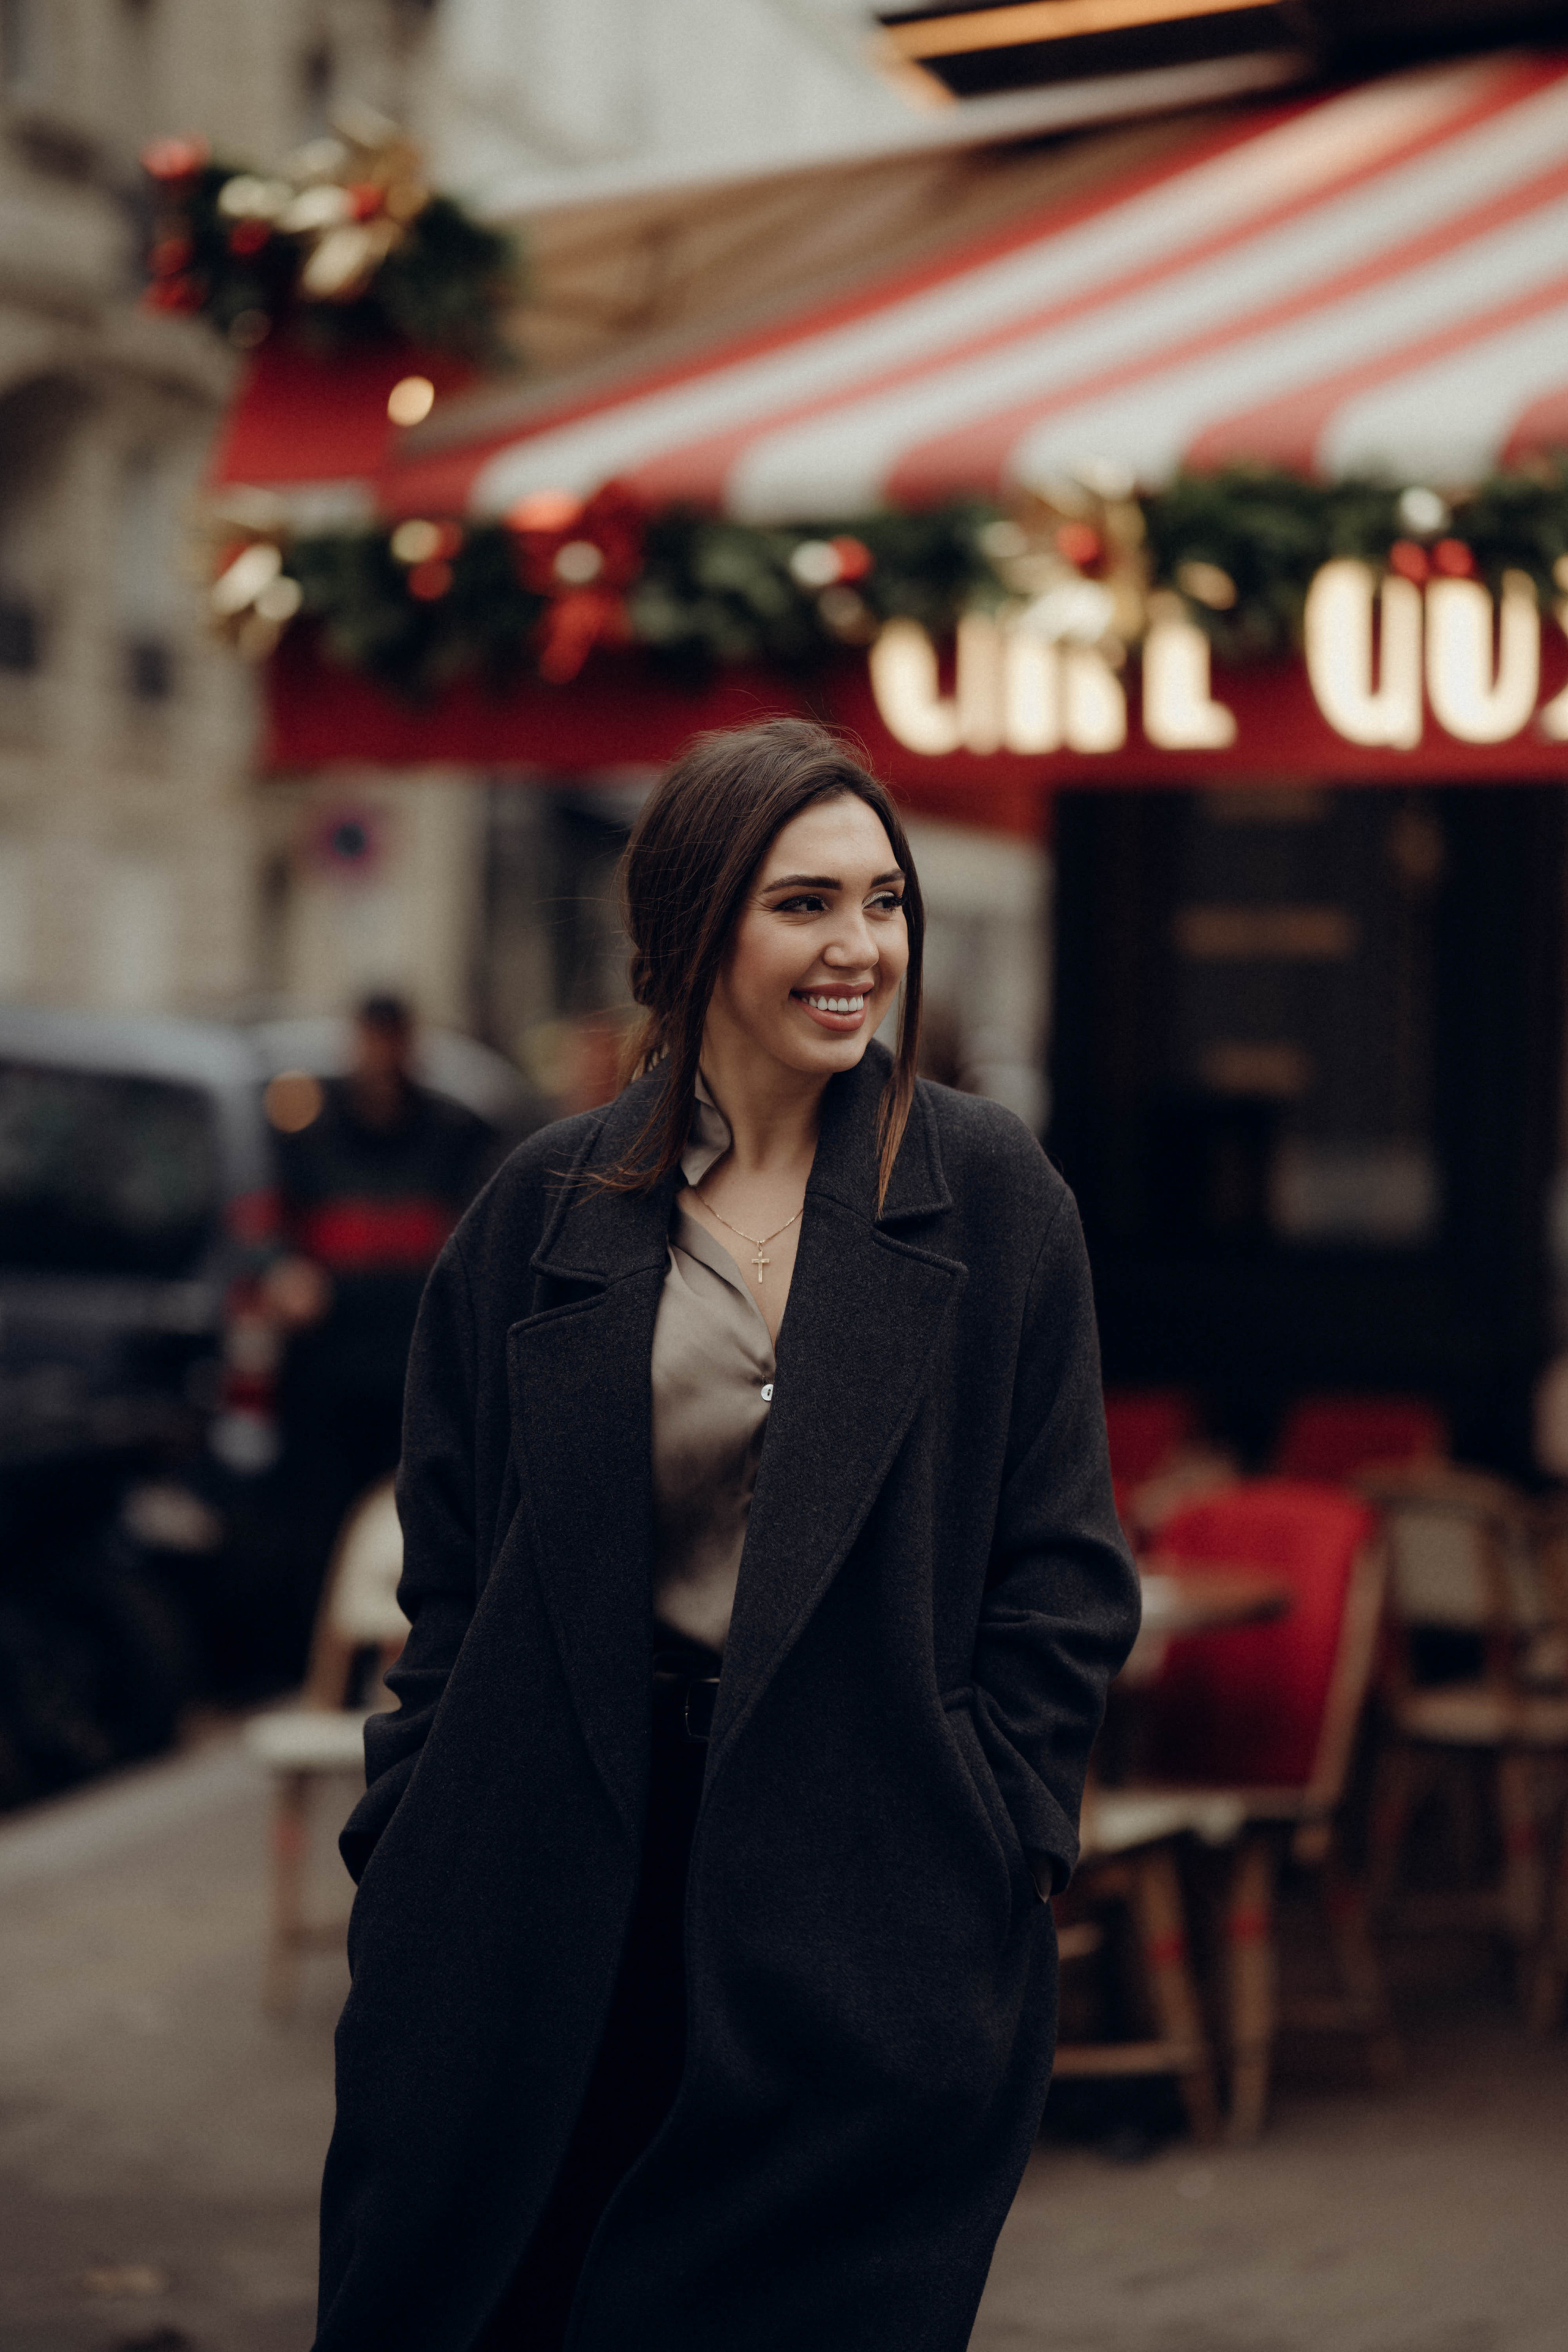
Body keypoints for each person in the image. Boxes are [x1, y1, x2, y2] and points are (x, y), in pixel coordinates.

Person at [314, 722, 1140, 2352]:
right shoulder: (542, 1207)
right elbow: (456, 1574)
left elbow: (1063, 1571)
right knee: (509, 2299)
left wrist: (999, 1836)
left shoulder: (988, 1195)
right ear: (696, 929)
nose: (860, 951)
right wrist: (409, 1839)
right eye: (807, 905)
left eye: (884, 904)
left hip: (862, 1887)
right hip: (539, 1885)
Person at [265, 995, 494, 1649]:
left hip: (418, 1368)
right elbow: (269, 1229)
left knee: (422, 1511)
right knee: (321, 1519)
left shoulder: (455, 1133)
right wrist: (284, 1272)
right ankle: (312, 1654)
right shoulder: (308, 1133)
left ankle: (423, 1646)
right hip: (329, 1374)